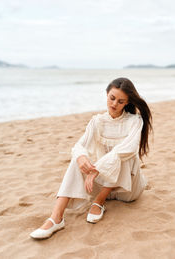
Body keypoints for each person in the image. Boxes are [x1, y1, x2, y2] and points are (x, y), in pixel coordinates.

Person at [30, 77, 153, 239]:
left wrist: (97, 170)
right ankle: (56, 218)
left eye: (121, 101)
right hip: (100, 182)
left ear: (127, 102)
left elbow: (128, 149)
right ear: (107, 94)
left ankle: (99, 201)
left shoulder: (134, 121)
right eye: (112, 98)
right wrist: (81, 157)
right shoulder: (97, 121)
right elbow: (79, 145)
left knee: (121, 153)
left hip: (126, 189)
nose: (114, 104)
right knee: (78, 156)